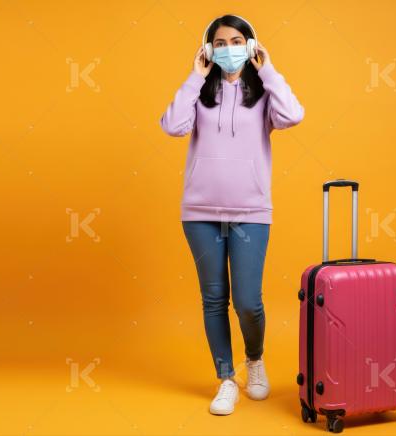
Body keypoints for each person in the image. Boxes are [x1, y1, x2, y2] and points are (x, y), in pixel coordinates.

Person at [159, 14, 305, 415]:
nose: (228, 49)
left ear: (251, 45)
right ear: (208, 49)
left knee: (247, 301)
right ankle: (226, 379)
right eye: (220, 43)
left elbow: (293, 115)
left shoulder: (263, 95)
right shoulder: (199, 94)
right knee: (213, 299)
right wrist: (195, 76)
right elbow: (172, 126)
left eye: (237, 41)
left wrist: (268, 70)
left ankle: (254, 360)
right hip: (200, 212)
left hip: (250, 210)